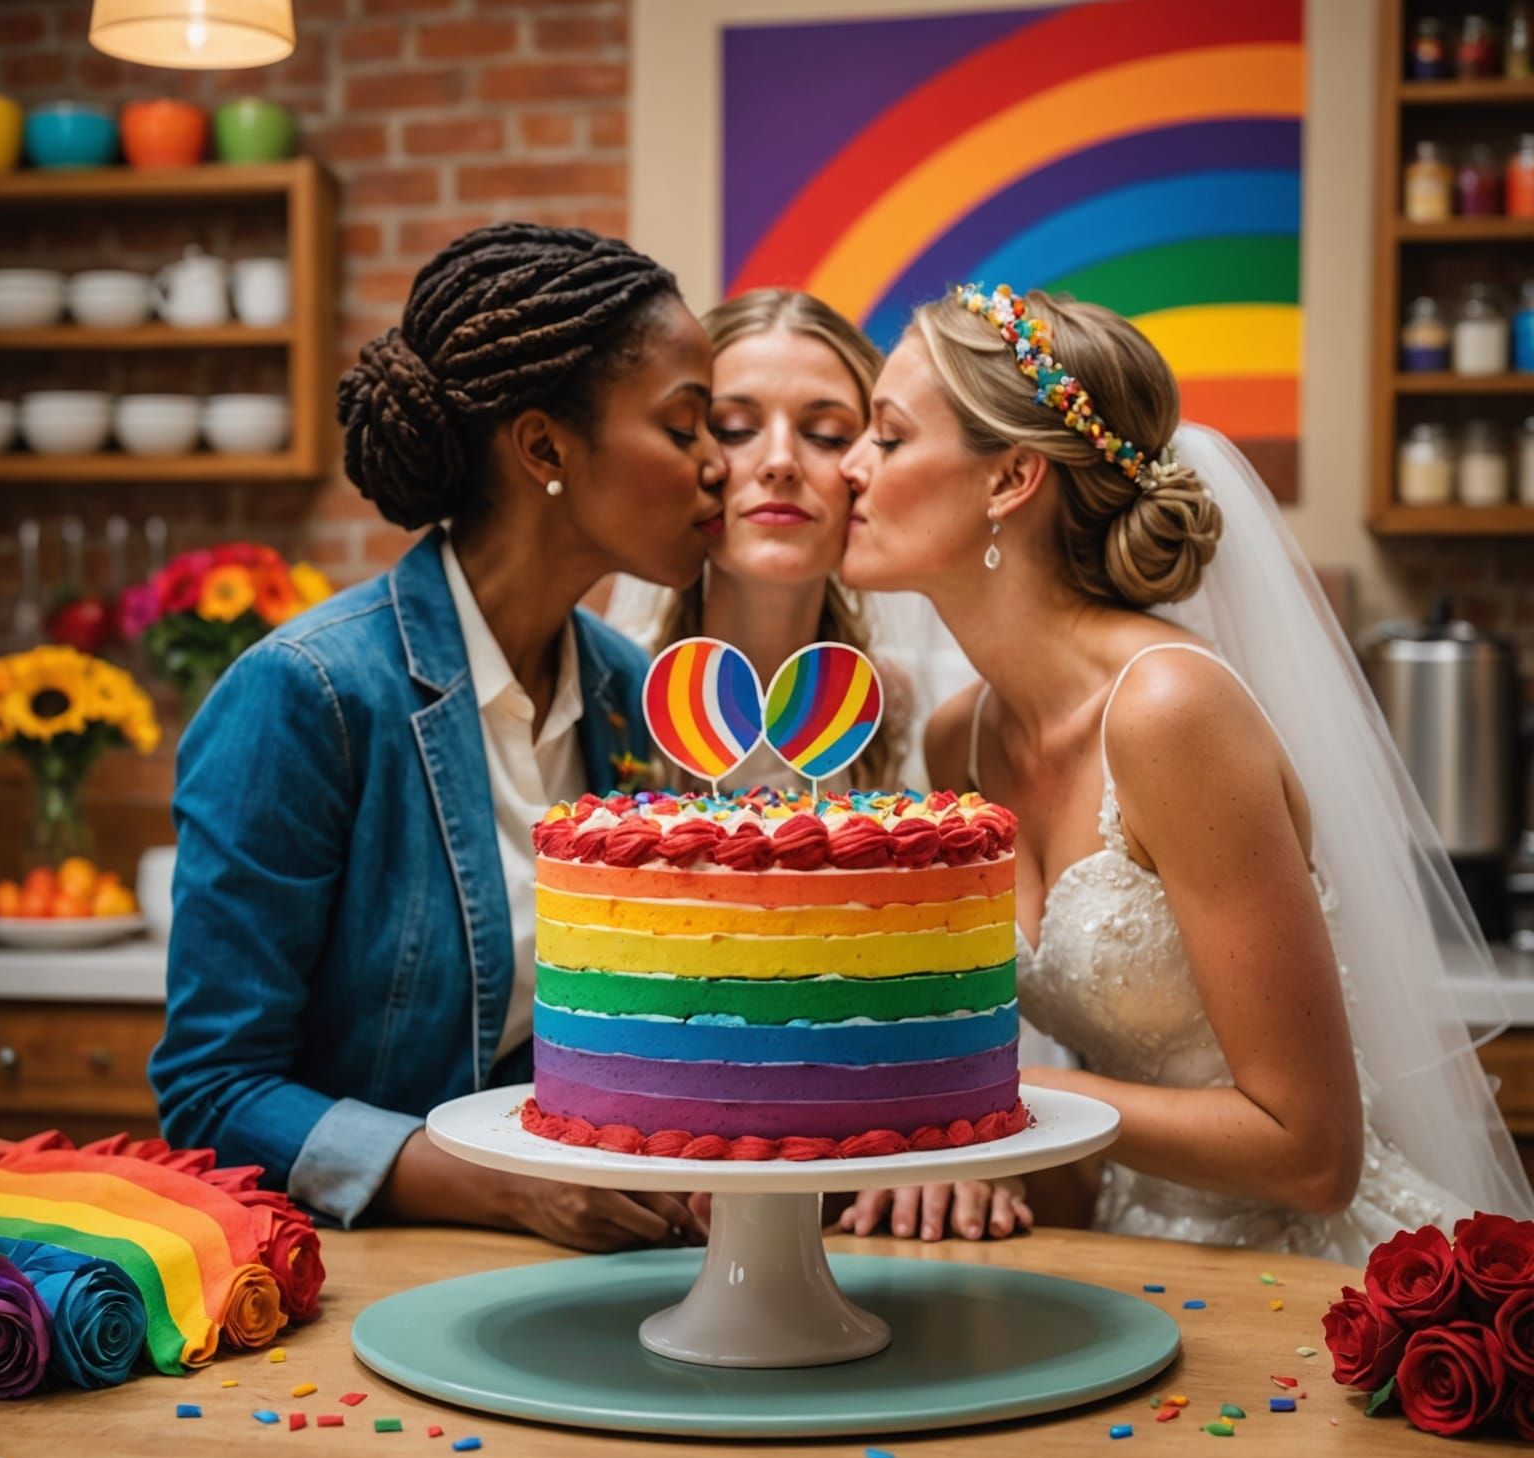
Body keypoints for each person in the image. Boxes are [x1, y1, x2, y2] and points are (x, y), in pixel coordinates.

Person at [834, 282, 1534, 1259]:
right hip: (1135, 1249)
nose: (849, 471)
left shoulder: (1169, 714)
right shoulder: (962, 742)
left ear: (1010, 479)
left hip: (1316, 1263)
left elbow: (1313, 1152)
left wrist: (1003, 1101)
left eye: (889, 437)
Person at [152, 223, 727, 1251]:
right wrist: (514, 1188)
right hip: (353, 1282)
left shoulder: (631, 694)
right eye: (686, 428)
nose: (720, 465)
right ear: (546, 447)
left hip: (590, 1273)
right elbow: (212, 1090)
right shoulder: (308, 696)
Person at [601, 288, 975, 792]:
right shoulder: (615, 702)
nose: (780, 461)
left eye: (825, 434)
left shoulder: (898, 713)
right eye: (733, 428)